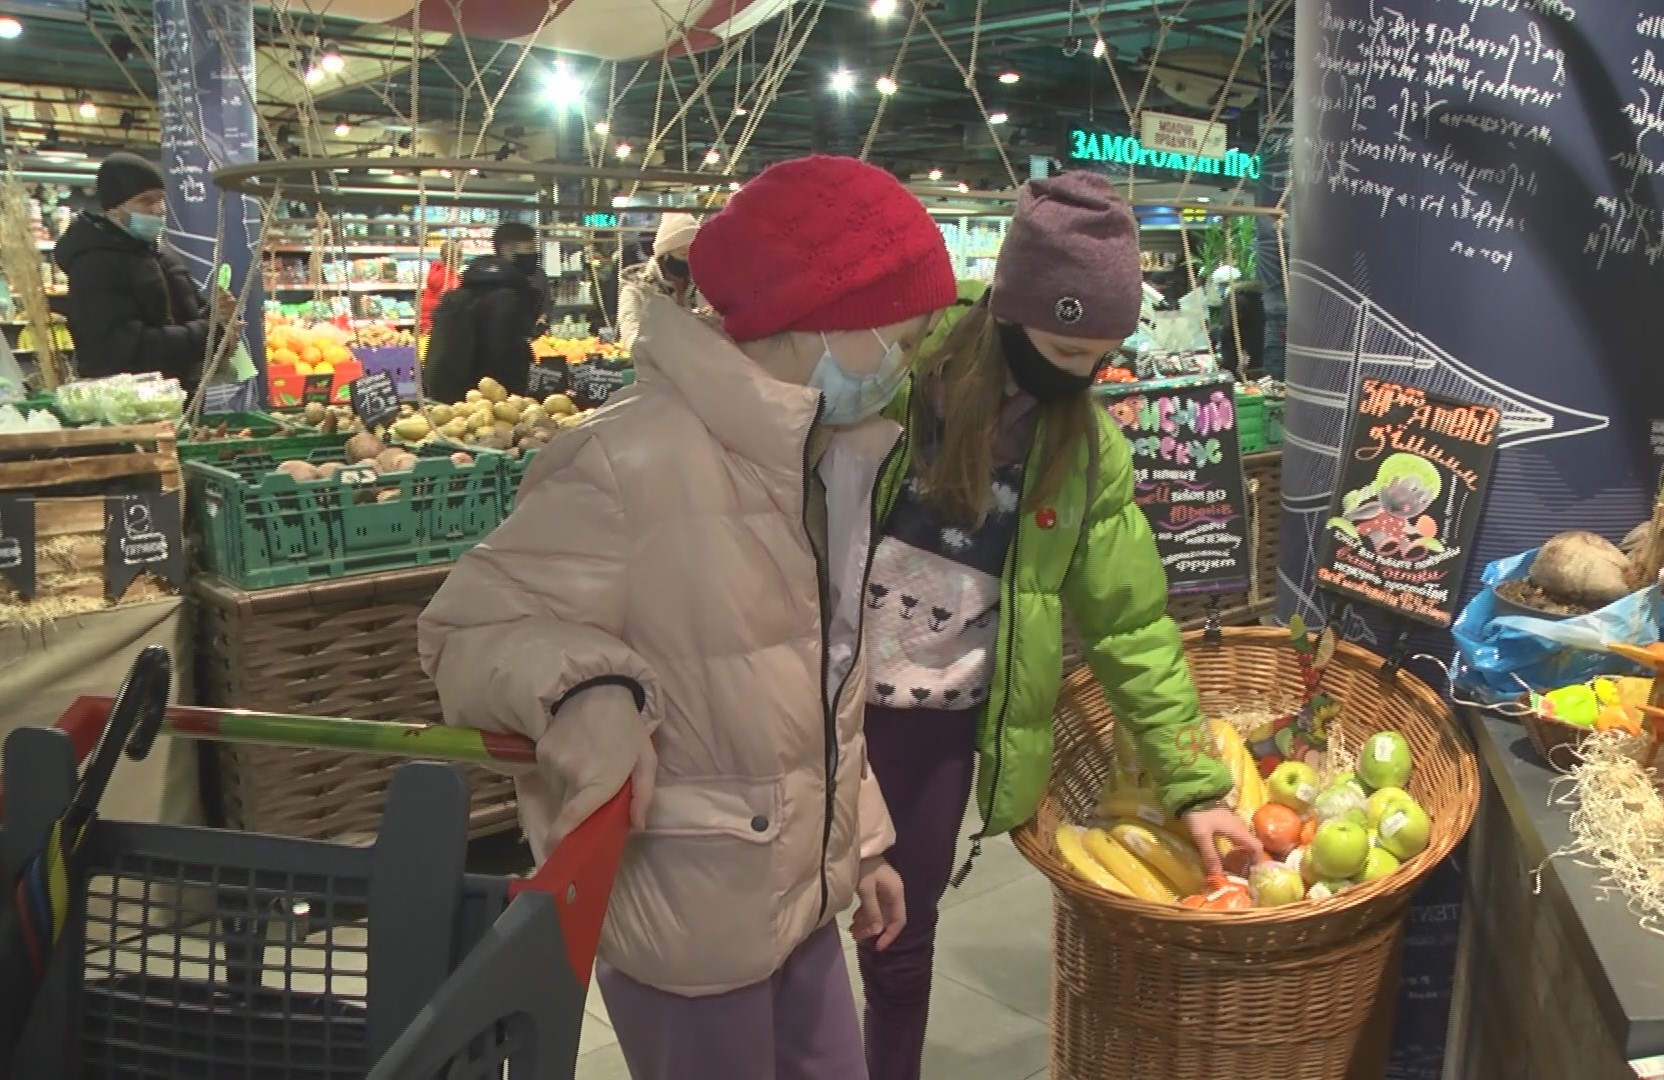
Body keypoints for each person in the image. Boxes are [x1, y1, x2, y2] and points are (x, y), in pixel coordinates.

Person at [417, 155, 962, 1080]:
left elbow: (820, 682)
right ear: (814, 316)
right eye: (900, 340)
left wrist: (862, 843)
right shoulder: (624, 464)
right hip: (686, 915)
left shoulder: (824, 459)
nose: (905, 368)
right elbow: (467, 631)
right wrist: (587, 688)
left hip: (801, 898)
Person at [854, 171, 1263, 1080]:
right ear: (1009, 307)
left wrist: (1196, 787)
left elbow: (1131, 628)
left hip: (937, 725)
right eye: (1061, 348)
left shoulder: (1087, 449)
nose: (1081, 376)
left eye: (1100, 356)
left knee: (899, 934)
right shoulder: (896, 377)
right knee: (785, 922)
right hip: (813, 695)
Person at [55, 151, 237, 389]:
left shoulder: (164, 256)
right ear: (114, 209)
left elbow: (192, 312)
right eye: (146, 201)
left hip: (181, 397)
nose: (159, 209)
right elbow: (118, 349)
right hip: (132, 407)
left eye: (161, 199)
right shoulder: (94, 266)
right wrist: (208, 333)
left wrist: (220, 314)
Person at [423, 221, 545, 402]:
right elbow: (505, 357)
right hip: (491, 400)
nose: (534, 255)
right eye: (529, 248)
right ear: (506, 250)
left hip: (459, 398)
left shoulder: (470, 287)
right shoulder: (507, 298)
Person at [617, 212, 702, 350]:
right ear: (664, 255)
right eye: (683, 254)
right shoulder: (638, 291)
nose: (689, 260)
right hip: (657, 369)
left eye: (695, 254)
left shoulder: (701, 288)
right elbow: (632, 342)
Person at [418, 239, 462, 334]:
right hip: (439, 326)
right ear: (458, 259)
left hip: (426, 321)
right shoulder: (452, 281)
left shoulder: (436, 271)